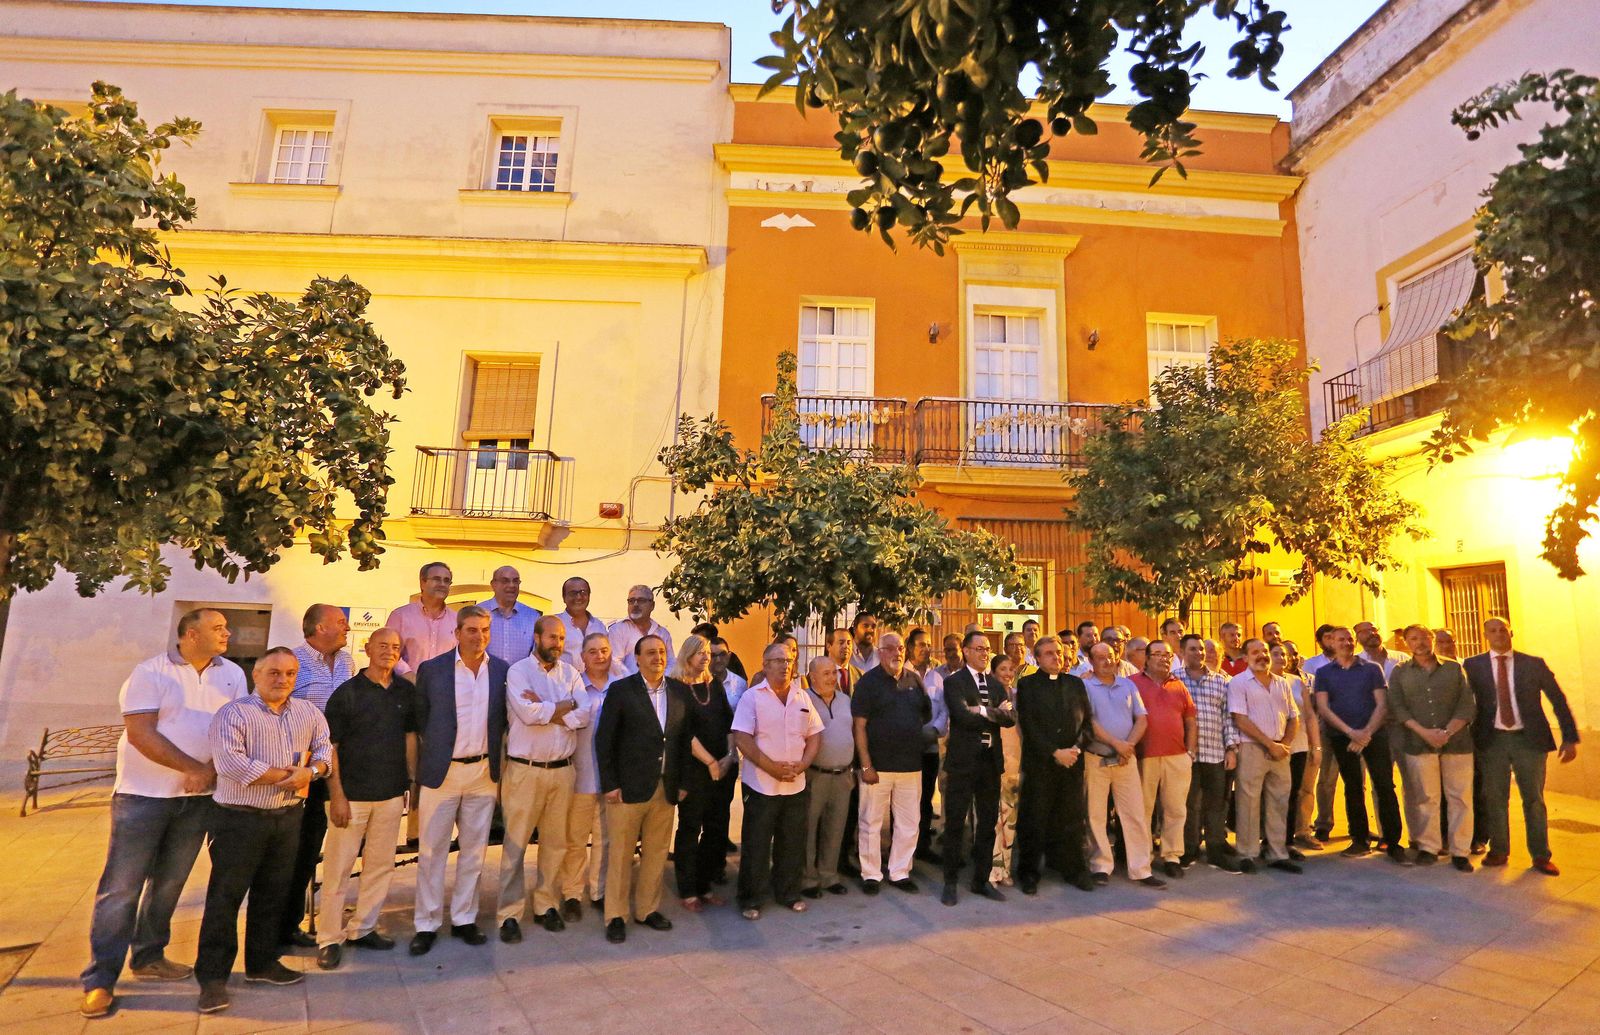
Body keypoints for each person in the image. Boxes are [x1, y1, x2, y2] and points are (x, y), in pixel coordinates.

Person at [79, 609, 246, 1021]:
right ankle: (100, 979)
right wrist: (192, 768)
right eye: (218, 628)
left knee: (169, 883)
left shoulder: (232, 674)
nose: (227, 633)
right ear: (191, 634)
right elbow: (140, 733)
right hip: (144, 796)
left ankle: (149, 956)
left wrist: (215, 770)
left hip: (198, 799)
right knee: (121, 889)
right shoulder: (150, 672)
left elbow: (234, 728)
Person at [194, 648, 332, 1014]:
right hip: (239, 821)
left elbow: (324, 753)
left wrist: (311, 773)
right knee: (225, 899)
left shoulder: (308, 712)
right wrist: (290, 777)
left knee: (273, 894)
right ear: (256, 674)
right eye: (274, 672)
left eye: (290, 673)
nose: (282, 680)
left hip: (287, 818)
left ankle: (261, 963)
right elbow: (232, 764)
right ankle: (212, 979)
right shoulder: (233, 714)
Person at [314, 628, 417, 971]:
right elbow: (331, 748)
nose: (389, 651)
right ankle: (329, 938)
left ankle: (363, 928)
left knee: (379, 866)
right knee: (338, 869)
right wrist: (337, 795)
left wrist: (411, 783)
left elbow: (409, 738)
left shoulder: (405, 691)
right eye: (382, 645)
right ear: (368, 648)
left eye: (395, 647)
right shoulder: (347, 694)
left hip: (390, 795)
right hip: (351, 798)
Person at [409, 606, 508, 955]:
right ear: (457, 632)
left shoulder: (502, 671)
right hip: (443, 772)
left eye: (484, 630)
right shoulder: (432, 670)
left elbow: (503, 720)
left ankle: (465, 918)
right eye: (471, 630)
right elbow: (422, 719)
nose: (479, 636)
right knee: (431, 852)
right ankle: (427, 923)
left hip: (483, 773)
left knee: (474, 852)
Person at [1464, 617, 1580, 875]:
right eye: (1493, 631)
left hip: (1529, 740)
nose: (1498, 634)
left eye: (1503, 630)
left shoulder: (1533, 664)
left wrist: (1569, 736)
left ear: (1511, 632)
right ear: (1485, 635)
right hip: (1491, 740)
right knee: (1495, 797)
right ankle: (1499, 849)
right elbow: (1462, 700)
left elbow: (1557, 699)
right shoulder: (1472, 665)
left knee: (1534, 799)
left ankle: (1540, 855)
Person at [497, 617, 588, 941]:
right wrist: (565, 706)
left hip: (562, 771)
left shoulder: (571, 673)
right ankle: (509, 914)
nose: (557, 644)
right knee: (515, 845)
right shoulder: (518, 671)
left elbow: (584, 714)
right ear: (537, 637)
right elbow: (527, 714)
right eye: (552, 637)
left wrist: (549, 708)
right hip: (525, 770)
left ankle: (546, 904)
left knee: (555, 843)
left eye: (561, 638)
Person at [594, 634, 686, 943]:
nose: (657, 657)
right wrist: (610, 784)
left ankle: (647, 910)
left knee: (656, 854)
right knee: (620, 856)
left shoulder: (679, 692)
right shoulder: (621, 690)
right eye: (650, 653)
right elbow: (604, 740)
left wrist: (682, 782)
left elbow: (683, 740)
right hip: (627, 790)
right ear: (637, 658)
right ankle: (616, 916)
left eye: (661, 652)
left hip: (665, 787)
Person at [732, 643, 824, 920]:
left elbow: (815, 734)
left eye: (789, 660)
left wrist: (803, 764)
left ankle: (788, 893)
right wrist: (771, 767)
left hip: (796, 784)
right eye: (778, 660)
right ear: (765, 664)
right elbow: (742, 738)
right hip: (761, 785)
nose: (785, 665)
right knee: (757, 844)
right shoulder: (752, 697)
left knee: (792, 843)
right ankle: (751, 898)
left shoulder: (802, 696)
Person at [282, 604, 353, 951]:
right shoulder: (293, 661)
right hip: (301, 768)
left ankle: (293, 922)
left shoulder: (347, 662)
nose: (347, 627)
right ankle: (279, 925)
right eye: (340, 622)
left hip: (334, 766)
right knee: (291, 850)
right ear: (320, 628)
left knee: (312, 846)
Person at [1315, 627, 1406, 864]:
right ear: (1332, 643)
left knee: (1384, 785)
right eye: (1340, 639)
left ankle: (1393, 842)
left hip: (1374, 735)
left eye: (1349, 639)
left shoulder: (1372, 669)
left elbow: (1382, 704)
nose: (1346, 643)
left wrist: (1366, 733)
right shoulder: (1324, 673)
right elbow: (1323, 708)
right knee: (1353, 787)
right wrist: (1350, 733)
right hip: (1342, 737)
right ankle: (1359, 839)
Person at [1388, 625, 1476, 871]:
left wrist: (1447, 732)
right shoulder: (1400, 672)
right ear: (1406, 643)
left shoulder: (1454, 668)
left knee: (1460, 798)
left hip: (1457, 743)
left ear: (1433, 639)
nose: (1420, 643)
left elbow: (1467, 704)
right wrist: (1425, 733)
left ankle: (1460, 851)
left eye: (1425, 638)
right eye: (1413, 639)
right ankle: (1429, 847)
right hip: (1418, 744)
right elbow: (1397, 707)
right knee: (1426, 798)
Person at [940, 631, 1018, 905]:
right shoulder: (954, 682)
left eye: (987, 649)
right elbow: (962, 716)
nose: (985, 653)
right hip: (963, 762)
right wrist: (993, 713)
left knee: (987, 824)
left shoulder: (996, 685)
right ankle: (950, 882)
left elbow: (1009, 718)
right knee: (955, 823)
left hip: (989, 762)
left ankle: (981, 880)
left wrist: (983, 711)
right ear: (965, 651)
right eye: (979, 648)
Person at [1013, 636, 1095, 894]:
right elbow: (1029, 725)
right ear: (1037, 658)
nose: (1056, 657)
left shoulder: (1075, 684)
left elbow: (1087, 724)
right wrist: (1054, 752)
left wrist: (1076, 749)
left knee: (1072, 818)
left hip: (1072, 763)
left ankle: (1073, 869)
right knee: (1035, 819)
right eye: (1049, 653)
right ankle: (1029, 873)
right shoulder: (1027, 685)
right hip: (1041, 764)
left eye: (1059, 652)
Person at [1082, 642, 1164, 889]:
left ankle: (1141, 868)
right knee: (1096, 815)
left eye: (1110, 656)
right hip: (1097, 758)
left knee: (1134, 814)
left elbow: (1142, 719)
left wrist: (1128, 746)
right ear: (1091, 661)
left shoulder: (1128, 685)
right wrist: (1116, 744)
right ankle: (1100, 866)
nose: (1107, 661)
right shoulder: (1085, 686)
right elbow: (1089, 722)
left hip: (1126, 759)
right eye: (1100, 657)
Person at [852, 632, 929, 894]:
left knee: (909, 823)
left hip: (910, 767)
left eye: (900, 648)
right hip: (877, 768)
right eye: (891, 648)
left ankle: (899, 872)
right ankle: (871, 874)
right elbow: (859, 726)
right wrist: (866, 765)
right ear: (880, 652)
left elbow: (924, 715)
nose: (897, 652)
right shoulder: (868, 683)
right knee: (870, 823)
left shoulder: (914, 680)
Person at [672, 635, 737, 912]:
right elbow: (683, 732)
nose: (706, 657)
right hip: (693, 770)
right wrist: (710, 761)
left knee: (715, 828)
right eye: (700, 652)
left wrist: (729, 756)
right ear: (687, 655)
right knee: (690, 828)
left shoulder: (714, 686)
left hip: (721, 768)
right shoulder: (676, 688)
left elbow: (729, 724)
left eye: (708, 653)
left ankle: (705, 884)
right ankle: (688, 890)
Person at [1228, 639, 1301, 874]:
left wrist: (1284, 744)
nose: (1262, 655)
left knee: (1279, 801)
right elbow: (1240, 719)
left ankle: (1277, 853)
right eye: (1255, 652)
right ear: (1245, 657)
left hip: (1281, 750)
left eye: (1265, 651)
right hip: (1252, 748)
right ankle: (1247, 853)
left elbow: (1293, 717)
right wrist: (1269, 744)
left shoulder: (1282, 683)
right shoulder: (1239, 683)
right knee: (1248, 802)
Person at [559, 632, 617, 921]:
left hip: (611, 779)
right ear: (582, 657)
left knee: (605, 840)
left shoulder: (621, 687)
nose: (599, 656)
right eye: (592, 651)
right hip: (580, 776)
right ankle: (571, 894)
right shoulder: (574, 687)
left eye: (603, 650)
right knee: (576, 840)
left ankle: (599, 891)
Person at [1174, 634, 1242, 873]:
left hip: (1215, 753)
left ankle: (1215, 849)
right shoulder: (1175, 680)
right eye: (1193, 649)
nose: (1199, 653)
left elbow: (1228, 717)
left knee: (1216, 804)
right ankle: (1189, 848)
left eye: (1201, 649)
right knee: (1189, 804)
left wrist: (1231, 748)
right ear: (1183, 652)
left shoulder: (1221, 681)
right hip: (1186, 754)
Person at [1133, 640, 1195, 880]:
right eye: (1157, 654)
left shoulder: (1179, 685)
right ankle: (1143, 857)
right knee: (1143, 810)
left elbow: (1190, 720)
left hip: (1177, 756)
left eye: (1167, 655)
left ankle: (1172, 856)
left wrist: (1190, 751)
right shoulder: (1132, 683)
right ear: (1147, 658)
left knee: (1175, 809)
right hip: (1144, 756)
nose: (1163, 659)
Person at [802, 656, 854, 898]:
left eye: (834, 673)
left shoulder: (845, 700)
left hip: (842, 776)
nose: (832, 678)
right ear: (812, 677)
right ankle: (808, 879)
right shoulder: (803, 699)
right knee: (808, 828)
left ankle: (829, 875)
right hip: (815, 775)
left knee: (835, 828)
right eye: (826, 673)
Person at [907, 627, 950, 862]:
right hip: (905, 750)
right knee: (904, 801)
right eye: (921, 644)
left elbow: (944, 710)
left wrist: (934, 730)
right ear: (910, 647)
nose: (926, 649)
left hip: (930, 748)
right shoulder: (901, 674)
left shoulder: (936, 678)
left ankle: (923, 846)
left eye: (929, 645)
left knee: (925, 800)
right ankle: (902, 850)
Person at [1277, 642, 1321, 854]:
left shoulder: (1298, 682)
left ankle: (1292, 838)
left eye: (1288, 655)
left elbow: (1311, 715)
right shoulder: (1262, 681)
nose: (1285, 658)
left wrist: (1317, 746)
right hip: (1275, 746)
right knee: (1277, 794)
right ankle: (1271, 840)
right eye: (1277, 654)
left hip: (1300, 744)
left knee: (1297, 791)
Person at [988, 654, 1024, 887]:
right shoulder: (986, 696)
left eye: (1011, 669)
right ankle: (991, 869)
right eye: (1003, 669)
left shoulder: (1020, 696)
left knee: (1010, 818)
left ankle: (1005, 868)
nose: (1008, 673)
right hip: (993, 760)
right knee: (993, 817)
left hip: (1016, 762)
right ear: (993, 673)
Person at [385, 562, 457, 676]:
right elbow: (388, 651)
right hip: (406, 684)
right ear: (422, 583)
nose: (442, 584)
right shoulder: (400, 616)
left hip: (443, 686)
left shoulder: (457, 620)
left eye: (446, 580)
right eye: (437, 579)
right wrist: (407, 674)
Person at [481, 565, 542, 665]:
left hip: (522, 675)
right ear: (493, 584)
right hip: (485, 674)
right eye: (505, 581)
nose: (511, 585)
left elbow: (536, 656)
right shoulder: (477, 613)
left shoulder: (533, 617)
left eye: (515, 581)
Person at [609, 585, 674, 675]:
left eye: (641, 600)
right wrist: (637, 681)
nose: (635, 604)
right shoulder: (618, 630)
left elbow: (671, 662)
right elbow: (615, 662)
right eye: (631, 601)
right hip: (628, 683)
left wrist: (658, 679)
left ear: (652, 605)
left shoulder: (662, 633)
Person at [555, 576, 610, 671]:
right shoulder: (553, 624)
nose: (578, 597)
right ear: (564, 598)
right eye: (573, 593)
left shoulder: (599, 626)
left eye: (583, 592)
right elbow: (541, 661)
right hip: (562, 680)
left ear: (589, 596)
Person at [712, 636, 748, 710]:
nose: (718, 660)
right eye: (713, 655)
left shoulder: (740, 684)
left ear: (729, 656)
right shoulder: (699, 682)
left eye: (722, 654)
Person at [848, 613, 880, 682]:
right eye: (866, 626)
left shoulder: (881, 656)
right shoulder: (847, 654)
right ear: (855, 629)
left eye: (873, 626)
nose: (871, 630)